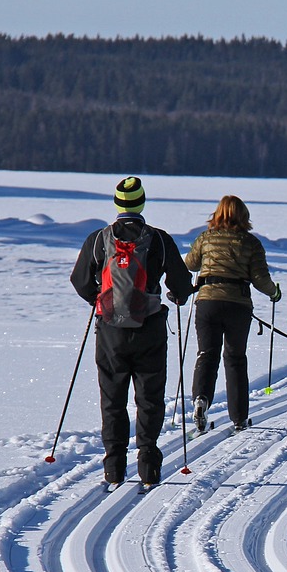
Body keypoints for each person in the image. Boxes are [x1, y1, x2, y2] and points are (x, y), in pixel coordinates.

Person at [70, 177, 194, 490]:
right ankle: (149, 467)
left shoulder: (99, 240)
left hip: (110, 330)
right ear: (141, 203)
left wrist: (101, 301)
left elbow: (80, 280)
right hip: (149, 329)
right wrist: (175, 295)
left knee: (112, 398)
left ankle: (113, 468)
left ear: (117, 204)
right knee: (149, 398)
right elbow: (180, 285)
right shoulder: (160, 240)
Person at [183, 195, 282, 433]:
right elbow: (259, 279)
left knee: (207, 354)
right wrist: (274, 292)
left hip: (207, 302)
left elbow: (190, 264)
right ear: (244, 216)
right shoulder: (250, 243)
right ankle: (238, 417)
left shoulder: (205, 238)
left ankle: (201, 399)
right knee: (235, 359)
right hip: (238, 304)